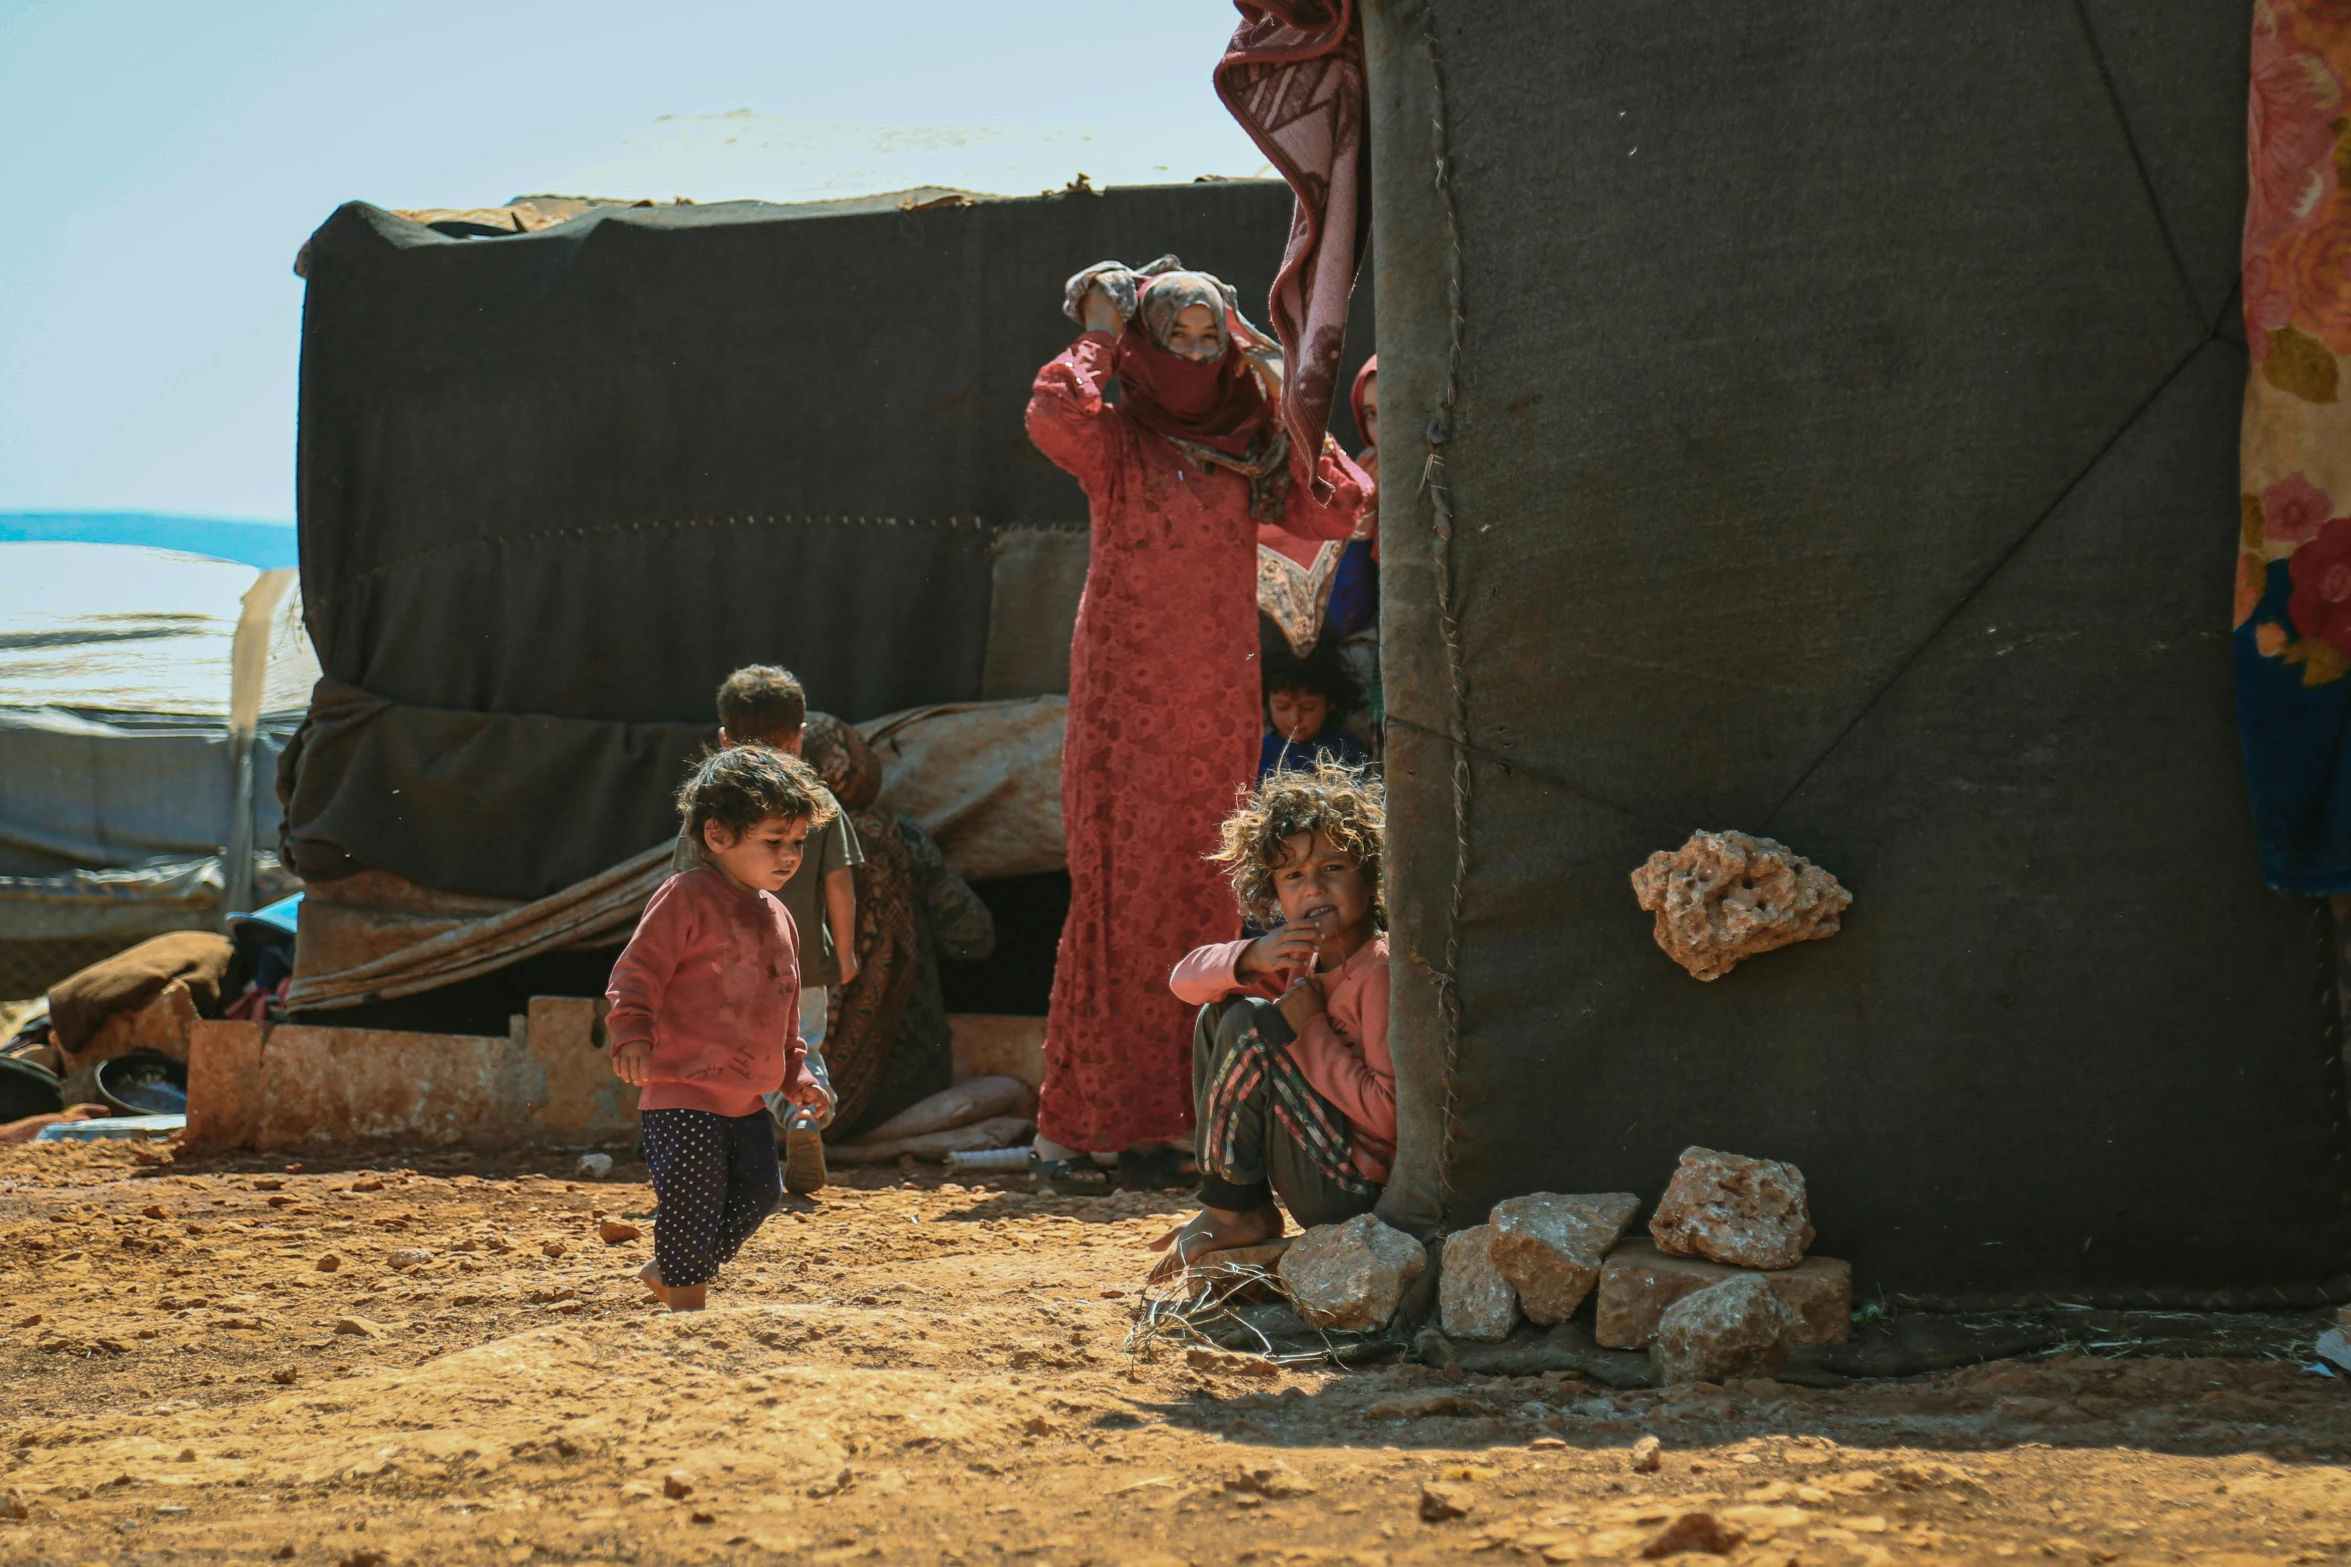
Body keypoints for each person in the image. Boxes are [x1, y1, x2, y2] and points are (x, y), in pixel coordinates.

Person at [1025, 254, 1369, 1194]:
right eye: (1172, 332)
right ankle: (1081, 1129)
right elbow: (1053, 413)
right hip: (1126, 696)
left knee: (1205, 888)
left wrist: (1267, 373)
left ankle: (1175, 1126)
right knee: (1117, 895)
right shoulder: (1119, 435)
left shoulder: (1252, 439)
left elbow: (1340, 500)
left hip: (1216, 692)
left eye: (1207, 334)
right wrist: (1098, 328)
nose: (1190, 349)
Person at [608, 745, 835, 1311]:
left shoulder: (780, 916)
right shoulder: (684, 897)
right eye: (774, 841)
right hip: (683, 1093)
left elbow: (784, 1011)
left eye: (798, 843)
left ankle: (672, 1271)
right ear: (717, 835)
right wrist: (632, 1029)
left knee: (760, 1194)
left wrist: (796, 1075)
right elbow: (638, 970)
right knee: (692, 1201)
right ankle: (688, 1314)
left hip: (747, 1099)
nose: (789, 856)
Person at [1147, 761, 1392, 1280]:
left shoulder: (1381, 971)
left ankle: (1230, 1211)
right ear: (1275, 894)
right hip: (1317, 1161)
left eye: (1333, 868)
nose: (1314, 889)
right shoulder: (1303, 960)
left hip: (1352, 1191)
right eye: (1294, 876)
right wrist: (1253, 956)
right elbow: (1184, 984)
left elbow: (1389, 1115)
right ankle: (1241, 1204)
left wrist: (1311, 1030)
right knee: (1224, 1016)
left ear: (1371, 880)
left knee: (1251, 1024)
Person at [670, 666, 862, 1195]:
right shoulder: (814, 802)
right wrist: (843, 952)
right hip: (803, 966)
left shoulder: (715, 807)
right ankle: (803, 1114)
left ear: (724, 737)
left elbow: (682, 887)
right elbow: (839, 881)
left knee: (726, 1056)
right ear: (800, 736)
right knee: (802, 1051)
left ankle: (721, 1157)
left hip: (723, 966)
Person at [1259, 636, 1369, 779]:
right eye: (1282, 707)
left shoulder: (1346, 750)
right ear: (1267, 703)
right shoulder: (1258, 755)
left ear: (1331, 703)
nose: (1295, 720)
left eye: (1308, 708)